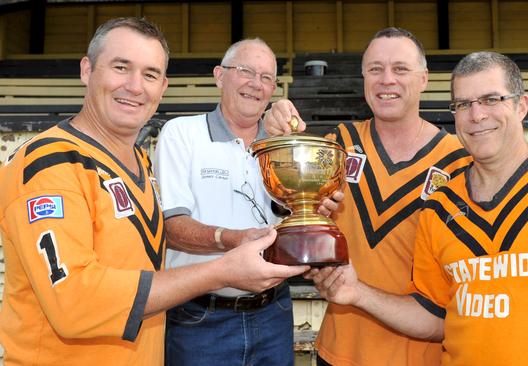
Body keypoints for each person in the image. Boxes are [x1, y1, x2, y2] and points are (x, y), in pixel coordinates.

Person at [306, 51, 528, 365]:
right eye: (463, 104)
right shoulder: (440, 205)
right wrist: (357, 293)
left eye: (491, 99)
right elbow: (433, 317)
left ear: (522, 105)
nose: (477, 114)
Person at [0, 18, 308, 366]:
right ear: (87, 70)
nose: (135, 86)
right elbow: (74, 302)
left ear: (163, 87)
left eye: (149, 74)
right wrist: (221, 270)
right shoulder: (48, 163)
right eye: (121, 67)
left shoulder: (139, 163)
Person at [264, 28, 471, 366]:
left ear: (424, 79)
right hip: (340, 350)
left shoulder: (460, 160)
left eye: (400, 69)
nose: (386, 79)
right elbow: (290, 217)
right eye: (375, 69)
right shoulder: (337, 145)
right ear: (363, 78)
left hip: (426, 355)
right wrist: (278, 131)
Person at [154, 38, 339, 366]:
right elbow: (172, 228)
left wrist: (315, 211)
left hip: (274, 311)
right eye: (246, 71)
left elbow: (287, 214)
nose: (256, 84)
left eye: (267, 77)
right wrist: (234, 240)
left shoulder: (280, 149)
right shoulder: (181, 134)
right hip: (199, 319)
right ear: (219, 76)